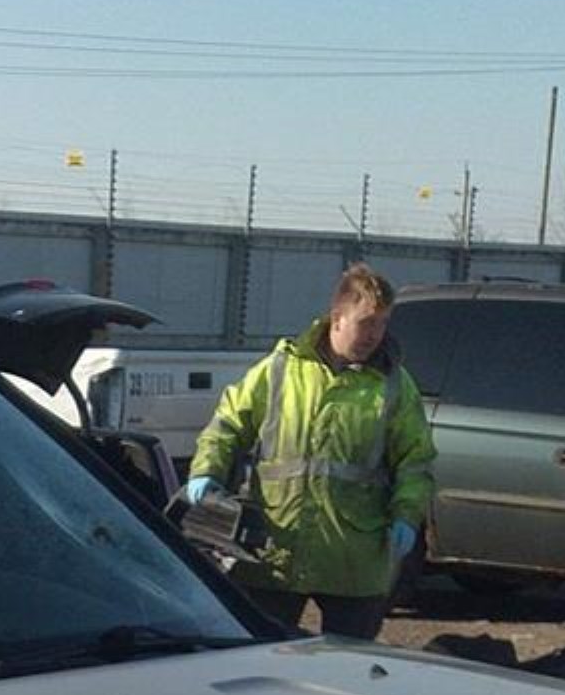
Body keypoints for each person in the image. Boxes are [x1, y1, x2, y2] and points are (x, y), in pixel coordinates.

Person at [179, 263, 435, 640]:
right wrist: (206, 472)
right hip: (275, 550)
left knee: (350, 668)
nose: (375, 335)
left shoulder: (394, 386)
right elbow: (229, 424)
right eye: (366, 323)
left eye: (382, 324)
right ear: (337, 318)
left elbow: (415, 461)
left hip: (354, 558)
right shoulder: (281, 368)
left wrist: (407, 515)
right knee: (264, 661)